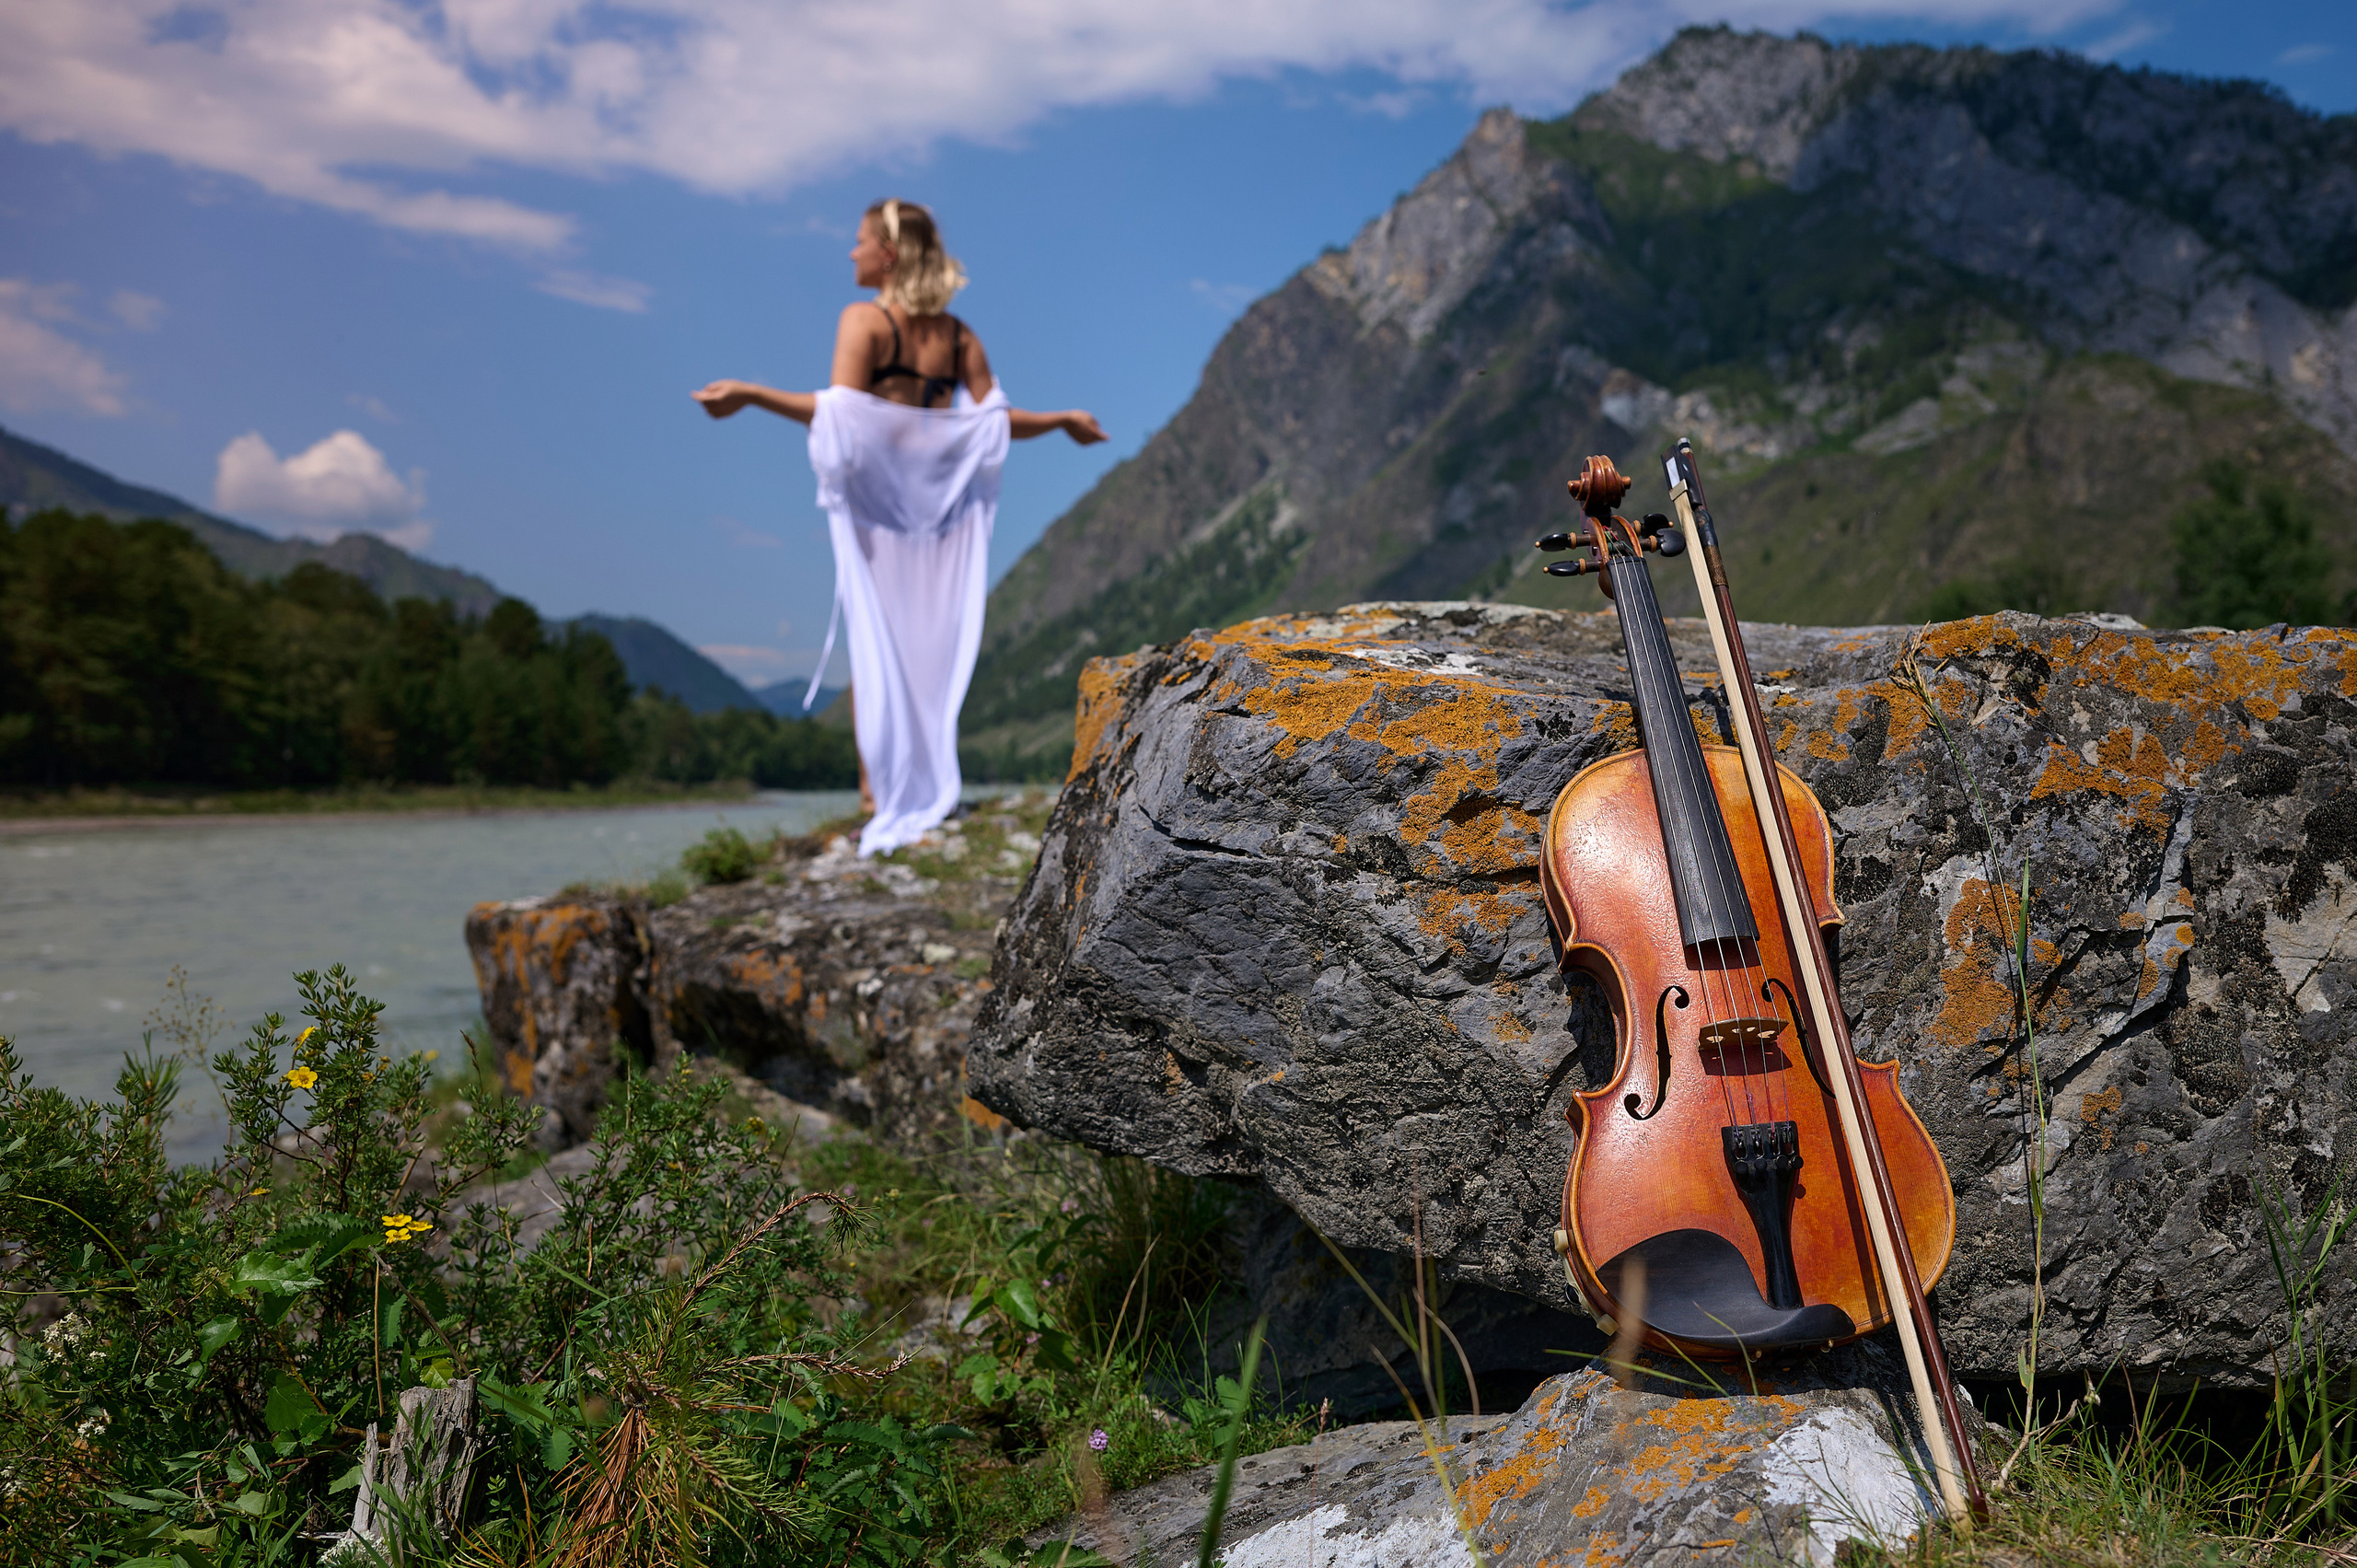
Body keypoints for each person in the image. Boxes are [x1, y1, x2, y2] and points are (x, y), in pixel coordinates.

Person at [695, 198, 1103, 854]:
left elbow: (845, 421)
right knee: (922, 652)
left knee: (877, 646)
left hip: (882, 516)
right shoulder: (960, 334)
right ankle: (909, 787)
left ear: (888, 252)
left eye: (858, 242)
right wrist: (1060, 420)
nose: (850, 253)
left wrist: (751, 394)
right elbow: (989, 425)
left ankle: (877, 796)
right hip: (938, 521)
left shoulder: (865, 321)